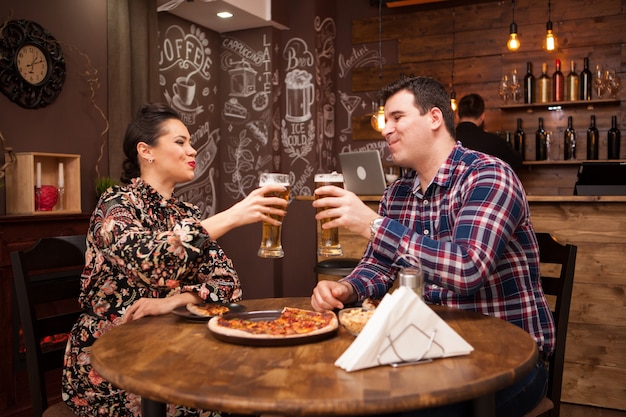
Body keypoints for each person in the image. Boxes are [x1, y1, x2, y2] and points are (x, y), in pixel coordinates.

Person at [311, 76, 554, 417]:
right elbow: (379, 266)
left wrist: (371, 224)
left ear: (435, 118)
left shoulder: (489, 175)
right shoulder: (397, 193)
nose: (386, 129)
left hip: (510, 361)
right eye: (386, 120)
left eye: (397, 118)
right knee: (336, 388)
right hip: (432, 351)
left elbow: (468, 268)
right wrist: (346, 288)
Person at [62, 103, 287, 416]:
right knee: (221, 404)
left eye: (191, 142)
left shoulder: (185, 215)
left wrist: (172, 301)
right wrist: (232, 216)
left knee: (252, 388)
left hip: (172, 348)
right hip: (114, 359)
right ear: (146, 151)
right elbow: (152, 261)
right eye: (180, 142)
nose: (192, 150)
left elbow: (228, 285)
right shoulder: (116, 204)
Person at [456, 93, 523, 169]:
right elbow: (517, 161)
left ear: (457, 116)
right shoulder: (494, 141)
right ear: (482, 116)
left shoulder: (446, 140)